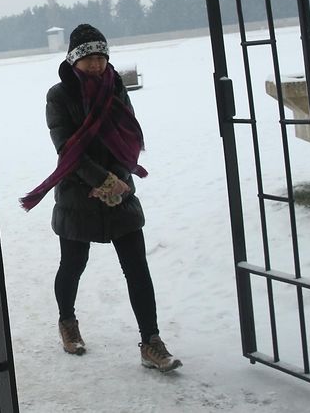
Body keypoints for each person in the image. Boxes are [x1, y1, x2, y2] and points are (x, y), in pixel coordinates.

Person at [20, 23, 181, 372]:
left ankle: (150, 341)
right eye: (88, 58)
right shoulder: (59, 96)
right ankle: (67, 321)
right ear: (74, 60)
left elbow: (129, 139)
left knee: (137, 268)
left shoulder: (116, 88)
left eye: (100, 57)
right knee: (73, 265)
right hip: (78, 194)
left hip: (120, 191)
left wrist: (118, 180)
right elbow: (67, 148)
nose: (95, 64)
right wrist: (99, 181)